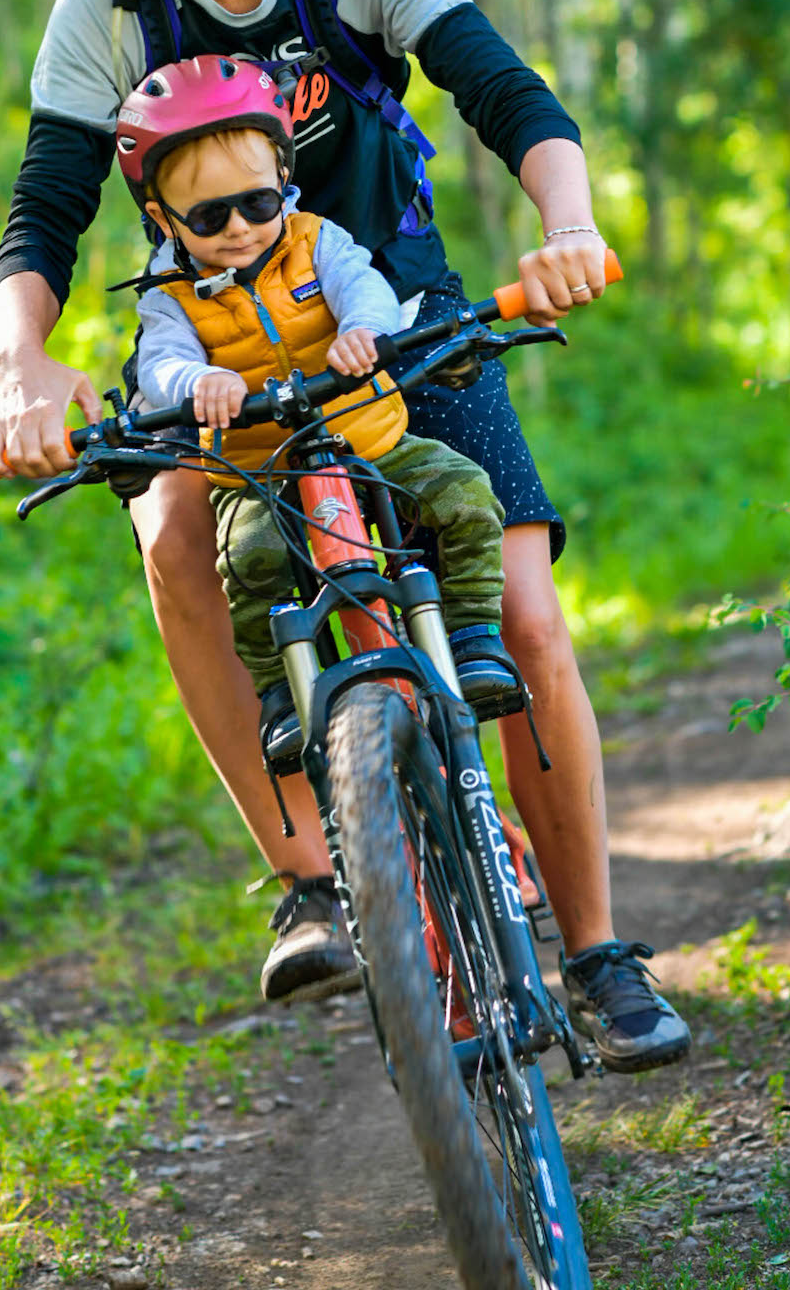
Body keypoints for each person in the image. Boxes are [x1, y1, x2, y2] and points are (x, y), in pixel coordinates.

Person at [0, 0, 690, 1071]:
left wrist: (567, 226)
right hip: (214, 357)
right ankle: (309, 875)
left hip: (396, 314)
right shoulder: (108, 3)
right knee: (172, 537)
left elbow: (509, 97)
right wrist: (24, 363)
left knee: (531, 619)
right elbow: (44, 211)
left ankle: (599, 954)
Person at [116, 53, 516, 999]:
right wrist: (193, 385)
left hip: (371, 440)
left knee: (460, 494)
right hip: (265, 472)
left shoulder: (318, 242)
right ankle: (280, 703)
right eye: (208, 219)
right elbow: (159, 370)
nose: (240, 231)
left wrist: (362, 330)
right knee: (247, 557)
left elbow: (370, 286)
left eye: (256, 204)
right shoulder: (169, 300)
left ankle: (476, 637)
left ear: (285, 185)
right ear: (166, 222)